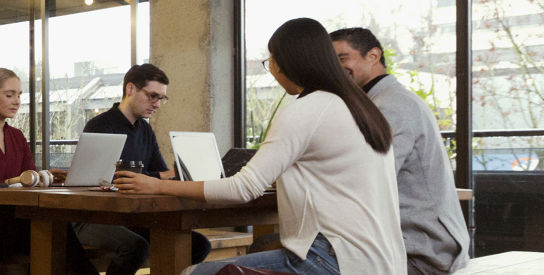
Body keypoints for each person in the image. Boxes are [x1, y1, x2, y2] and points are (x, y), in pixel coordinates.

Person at [115, 18, 405, 274]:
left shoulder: (307, 108)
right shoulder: (361, 107)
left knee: (194, 272)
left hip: (334, 260)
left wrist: (157, 186)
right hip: (384, 260)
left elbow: (243, 188)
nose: (272, 70)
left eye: (270, 61)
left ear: (286, 62)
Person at [331, 27, 470, 274]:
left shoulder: (390, 105)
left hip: (423, 253)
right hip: (419, 246)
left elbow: (368, 181)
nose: (337, 67)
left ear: (373, 56)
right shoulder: (384, 100)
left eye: (343, 58)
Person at [0, 68, 96, 274]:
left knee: (55, 229)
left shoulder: (17, 136)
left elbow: (29, 179)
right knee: (51, 232)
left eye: (19, 95)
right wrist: (19, 180)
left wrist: (46, 178)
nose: (17, 101)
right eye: (9, 95)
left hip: (12, 221)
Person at [75, 64, 211, 275]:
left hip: (131, 216)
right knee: (136, 247)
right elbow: (107, 179)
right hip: (93, 216)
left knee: (199, 244)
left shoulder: (145, 129)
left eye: (161, 98)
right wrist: (162, 176)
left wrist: (171, 176)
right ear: (130, 89)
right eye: (152, 96)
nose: (157, 104)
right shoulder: (100, 126)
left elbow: (162, 176)